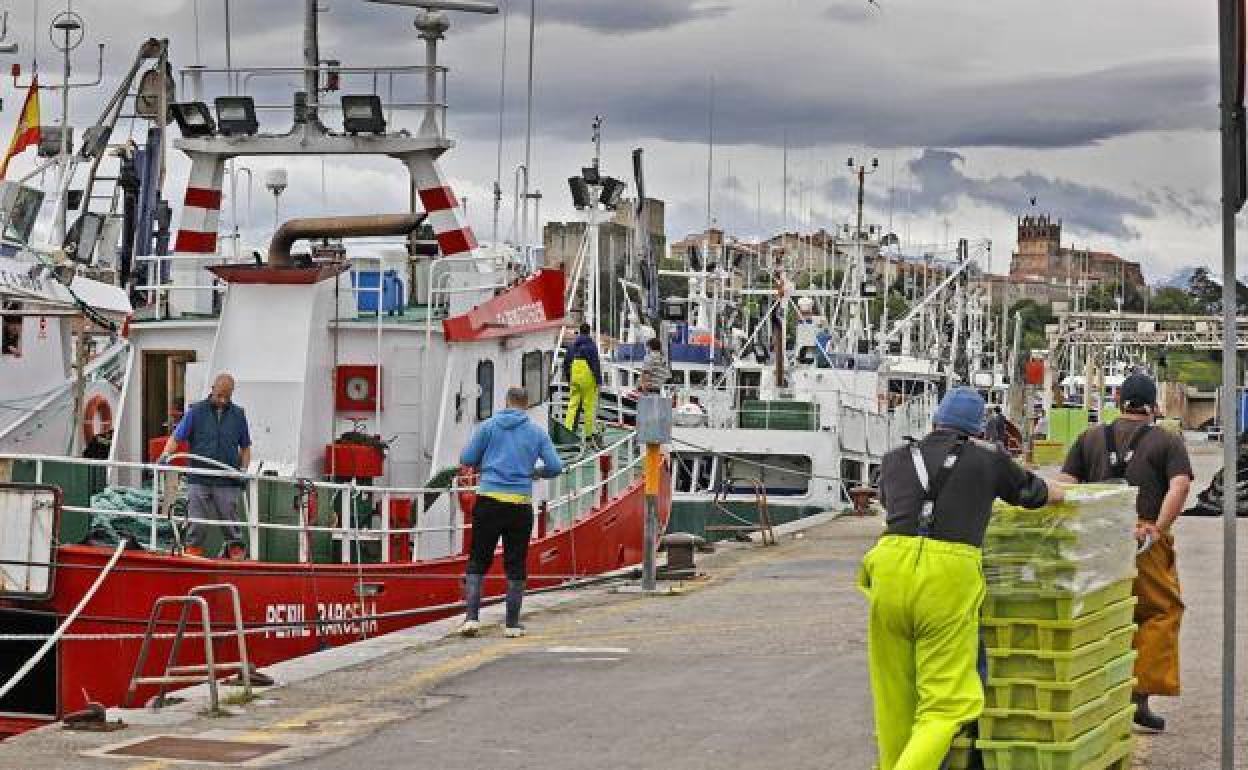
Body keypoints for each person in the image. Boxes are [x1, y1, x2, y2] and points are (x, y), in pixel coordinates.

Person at [861, 387, 1063, 770]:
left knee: (895, 699)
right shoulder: (988, 460)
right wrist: (1067, 496)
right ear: (977, 431)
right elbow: (1032, 492)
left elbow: (893, 504)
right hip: (946, 576)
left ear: (935, 421)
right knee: (947, 702)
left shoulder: (894, 459)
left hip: (888, 566)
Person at [1055, 372, 1192, 732]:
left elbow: (1065, 486)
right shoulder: (1167, 440)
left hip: (1096, 538)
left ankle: (1097, 698)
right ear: (1153, 406)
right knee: (1160, 611)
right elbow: (1179, 486)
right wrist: (1158, 529)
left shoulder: (1088, 438)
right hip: (1144, 538)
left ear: (1119, 403)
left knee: (1104, 613)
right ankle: (1138, 695)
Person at [459, 386, 564, 638]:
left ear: (506, 402)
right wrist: (536, 472)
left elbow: (467, 457)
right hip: (519, 504)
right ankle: (512, 625)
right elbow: (556, 466)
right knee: (515, 563)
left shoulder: (488, 427)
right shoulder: (536, 433)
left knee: (478, 559)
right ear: (526, 405)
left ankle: (472, 619)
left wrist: (488, 461)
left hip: (489, 500)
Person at [159, 373, 252, 558]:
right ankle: (193, 549)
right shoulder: (196, 411)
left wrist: (243, 471)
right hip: (199, 476)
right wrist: (165, 455)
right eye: (219, 395)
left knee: (229, 517)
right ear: (212, 390)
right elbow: (177, 437)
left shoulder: (238, 415)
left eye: (227, 396)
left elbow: (246, 447)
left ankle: (236, 549)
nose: (222, 400)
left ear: (231, 394)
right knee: (197, 519)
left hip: (227, 477)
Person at [562, 323, 603, 440]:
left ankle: (568, 430)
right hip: (587, 380)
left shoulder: (572, 346)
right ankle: (589, 434)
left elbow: (566, 363)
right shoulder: (591, 346)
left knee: (572, 405)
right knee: (588, 406)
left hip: (574, 378)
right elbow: (595, 364)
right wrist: (599, 381)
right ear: (589, 332)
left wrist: (569, 378)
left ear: (580, 331)